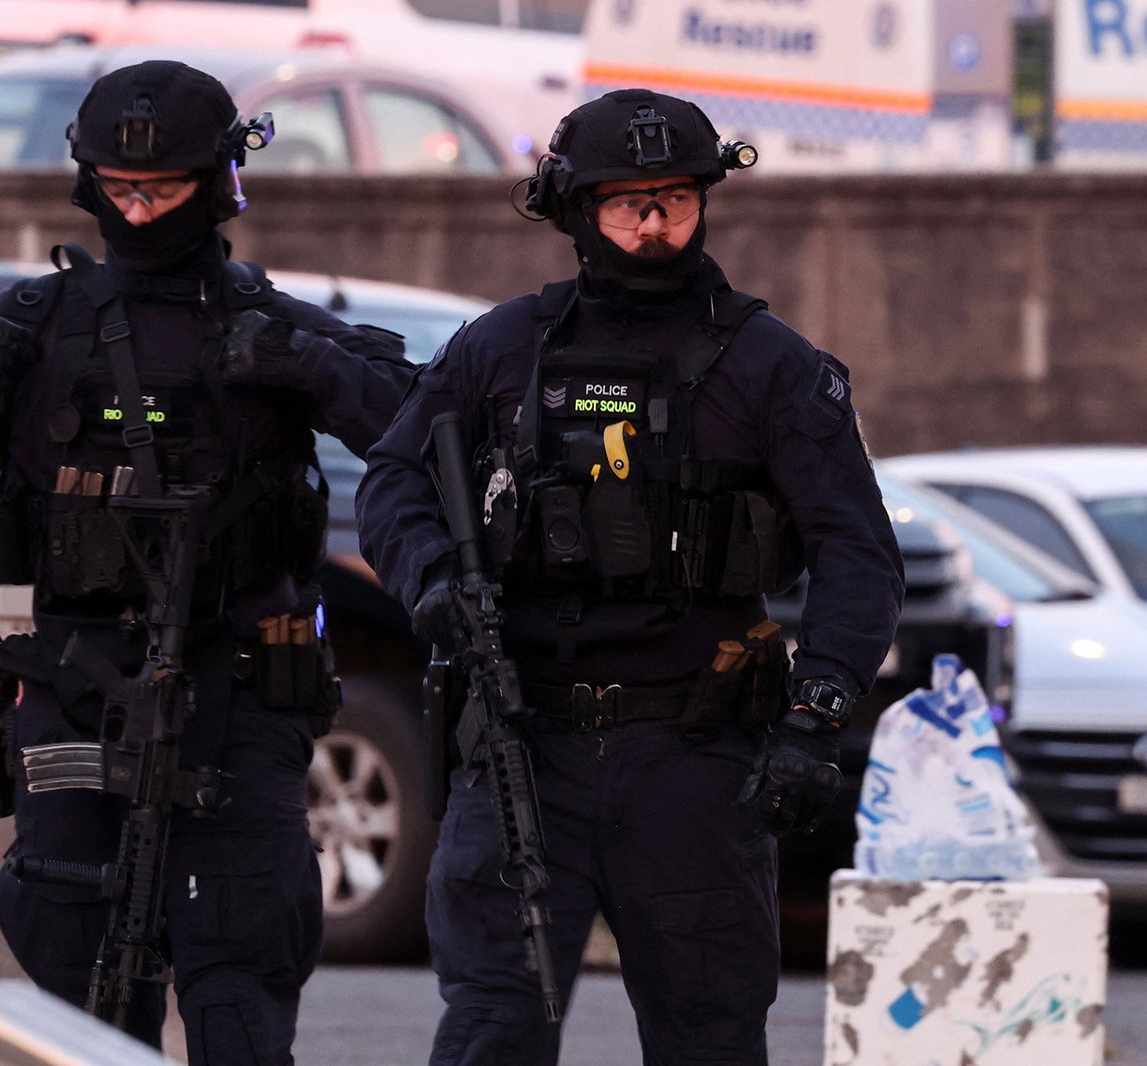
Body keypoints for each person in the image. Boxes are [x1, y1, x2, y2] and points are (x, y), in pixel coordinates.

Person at [0, 60, 415, 1062]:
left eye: (164, 189)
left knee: (239, 972)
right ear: (86, 180)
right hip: (77, 688)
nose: (138, 210)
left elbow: (424, 432)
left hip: (238, 695)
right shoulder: (35, 323)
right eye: (120, 187)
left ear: (220, 180)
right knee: (77, 980)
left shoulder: (267, 323)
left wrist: (310, 367)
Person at [355, 88, 905, 1065]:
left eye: (674, 201)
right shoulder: (500, 350)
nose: (652, 227)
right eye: (625, 204)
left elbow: (856, 548)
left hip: (693, 761)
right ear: (573, 210)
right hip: (524, 740)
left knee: (709, 1035)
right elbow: (397, 474)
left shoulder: (771, 367)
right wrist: (432, 580)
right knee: (494, 1028)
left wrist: (817, 714)